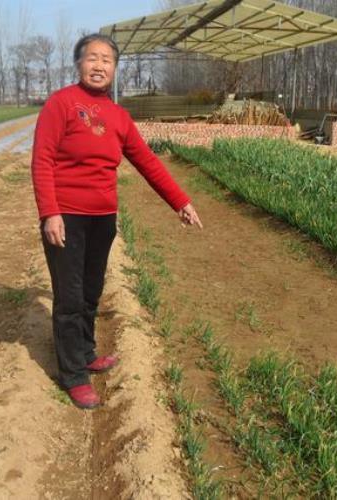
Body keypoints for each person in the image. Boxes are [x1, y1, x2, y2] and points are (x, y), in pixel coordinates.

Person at [30, 33, 203, 410]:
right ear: (78, 64)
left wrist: (181, 201)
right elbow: (42, 160)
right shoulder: (61, 104)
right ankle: (73, 374)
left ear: (114, 68)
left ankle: (86, 352)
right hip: (67, 218)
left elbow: (148, 162)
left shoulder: (119, 116)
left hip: (102, 218)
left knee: (91, 291)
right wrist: (50, 213)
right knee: (70, 297)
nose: (99, 65)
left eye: (107, 60)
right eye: (92, 58)